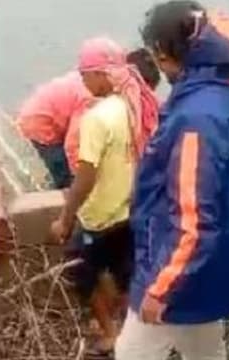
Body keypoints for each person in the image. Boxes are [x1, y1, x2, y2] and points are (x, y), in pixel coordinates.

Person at [115, 2, 229, 360]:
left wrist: (161, 287)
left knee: (132, 354)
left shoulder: (195, 118)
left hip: (181, 269)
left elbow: (195, 217)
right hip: (218, 264)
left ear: (167, 54)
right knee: (206, 351)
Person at [51, 37, 144, 359]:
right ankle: (127, 327)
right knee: (122, 273)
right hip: (128, 210)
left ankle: (111, 334)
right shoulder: (133, 107)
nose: (82, 80)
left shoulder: (97, 118)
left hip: (100, 216)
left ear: (103, 74)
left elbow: (86, 175)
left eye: (85, 73)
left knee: (81, 273)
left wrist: (65, 218)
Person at [17, 49, 162, 190]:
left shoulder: (102, 77)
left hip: (45, 111)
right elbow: (73, 146)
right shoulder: (91, 94)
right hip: (39, 127)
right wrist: (83, 183)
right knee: (64, 176)